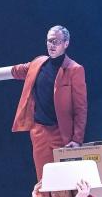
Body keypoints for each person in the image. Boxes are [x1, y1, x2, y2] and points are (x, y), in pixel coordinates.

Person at [11, 25, 88, 179]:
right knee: (43, 179)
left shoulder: (74, 69)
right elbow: (18, 70)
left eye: (56, 41)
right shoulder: (38, 63)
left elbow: (81, 108)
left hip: (61, 133)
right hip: (39, 132)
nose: (51, 45)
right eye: (49, 41)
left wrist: (77, 139)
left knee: (64, 181)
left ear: (66, 43)